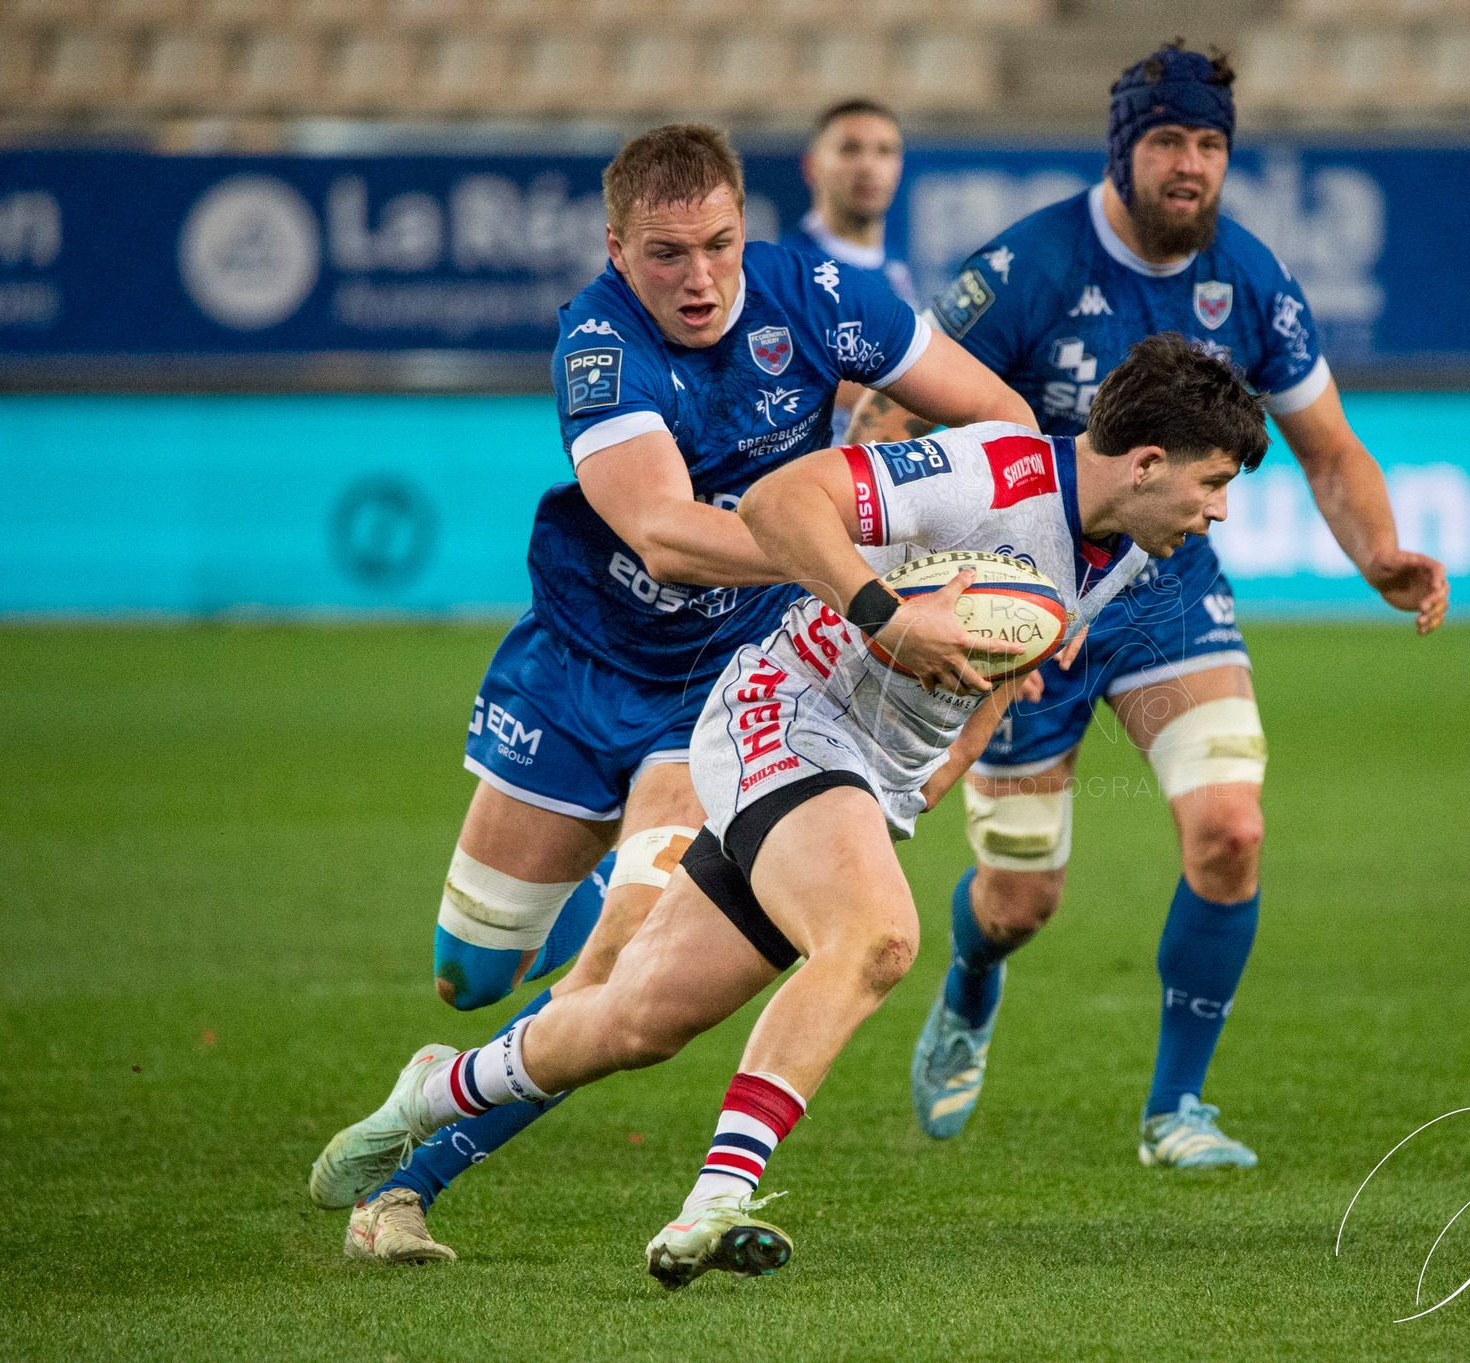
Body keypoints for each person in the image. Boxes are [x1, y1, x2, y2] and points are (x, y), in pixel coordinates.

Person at [308, 334, 1268, 1288]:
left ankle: (426, 1098)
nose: (1220, 510)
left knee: (634, 1020)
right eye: (1214, 481)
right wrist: (887, 611)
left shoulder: (1130, 547)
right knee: (878, 935)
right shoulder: (989, 470)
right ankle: (716, 1199)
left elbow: (1009, 663)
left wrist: (941, 766)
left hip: (867, 776)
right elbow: (778, 503)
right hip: (786, 714)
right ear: (1146, 463)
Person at [335, 121, 1033, 1263]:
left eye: (717, 245)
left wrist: (970, 545)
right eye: (666, 254)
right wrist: (849, 567)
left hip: (725, 684)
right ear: (616, 248)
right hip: (576, 666)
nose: (699, 278)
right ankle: (540, 959)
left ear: (744, 228)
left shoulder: (823, 295)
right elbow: (662, 534)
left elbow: (1001, 424)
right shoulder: (598, 348)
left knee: (621, 966)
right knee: (470, 971)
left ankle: (407, 1186)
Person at [848, 42, 1450, 1168]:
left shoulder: (1252, 277)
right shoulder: (1027, 265)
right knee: (1020, 898)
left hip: (1167, 592)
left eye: (1210, 145)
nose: (1190, 165)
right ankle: (973, 975)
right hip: (1019, 598)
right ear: (1122, 148)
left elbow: (1327, 447)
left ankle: (1176, 1110)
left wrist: (1379, 555)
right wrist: (884, 583)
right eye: (1168, 141)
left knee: (1230, 831)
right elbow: (892, 418)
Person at [777, 97, 923, 445]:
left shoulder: (896, 268)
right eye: (849, 150)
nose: (868, 167)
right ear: (811, 166)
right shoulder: (788, 268)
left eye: (884, 151)